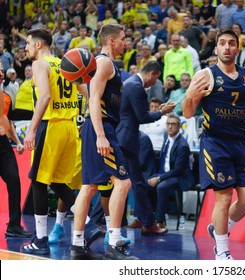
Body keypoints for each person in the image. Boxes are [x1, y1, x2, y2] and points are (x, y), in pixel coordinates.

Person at [181, 29, 245, 260]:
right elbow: (188, 113)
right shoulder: (205, 75)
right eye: (222, 43)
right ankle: (222, 251)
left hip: (240, 142)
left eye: (231, 43)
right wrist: (189, 96)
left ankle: (219, 227)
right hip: (215, 143)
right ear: (217, 49)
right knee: (224, 197)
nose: (227, 47)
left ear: (237, 49)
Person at [70, 24, 136, 260]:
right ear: (111, 41)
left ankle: (77, 244)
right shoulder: (105, 62)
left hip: (96, 126)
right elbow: (94, 99)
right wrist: (100, 134)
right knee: (123, 183)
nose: (125, 42)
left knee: (89, 187)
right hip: (101, 127)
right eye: (123, 38)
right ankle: (115, 242)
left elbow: (90, 94)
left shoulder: (103, 65)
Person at [21, 28, 83, 255]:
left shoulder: (40, 64)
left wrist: (31, 129)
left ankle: (40, 240)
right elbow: (84, 91)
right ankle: (89, 224)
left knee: (37, 181)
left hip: (52, 125)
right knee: (57, 183)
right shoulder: (66, 62)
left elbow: (45, 97)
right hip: (69, 127)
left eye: (28, 43)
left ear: (38, 45)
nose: (25, 47)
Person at [116, 61, 176, 237]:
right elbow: (142, 117)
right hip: (127, 140)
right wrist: (162, 112)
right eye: (156, 79)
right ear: (153, 74)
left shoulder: (129, 83)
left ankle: (142, 221)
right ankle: (148, 224)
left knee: (121, 182)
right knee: (137, 183)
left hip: (122, 138)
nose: (154, 83)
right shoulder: (136, 87)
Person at [0, 63, 31, 238]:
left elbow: (8, 123)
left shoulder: (6, 98)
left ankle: (13, 226)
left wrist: (18, 142)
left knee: (14, 181)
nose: (1, 73)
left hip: (3, 145)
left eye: (2, 71)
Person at [147, 113, 194, 230]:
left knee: (161, 187)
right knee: (143, 182)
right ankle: (145, 219)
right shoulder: (166, 138)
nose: (170, 127)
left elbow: (177, 170)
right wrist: (157, 176)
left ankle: (160, 222)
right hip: (166, 174)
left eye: (173, 124)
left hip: (180, 177)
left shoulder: (182, 145)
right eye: (168, 124)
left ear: (179, 126)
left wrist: (159, 178)